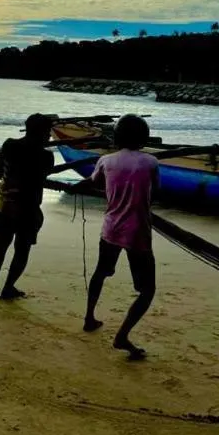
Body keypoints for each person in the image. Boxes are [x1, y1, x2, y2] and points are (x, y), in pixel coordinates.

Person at [80, 114, 159, 361]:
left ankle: (89, 317)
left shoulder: (105, 160)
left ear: (117, 137)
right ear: (144, 137)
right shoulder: (150, 162)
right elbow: (153, 194)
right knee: (146, 289)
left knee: (101, 272)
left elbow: (93, 184)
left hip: (111, 228)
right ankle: (122, 335)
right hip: (138, 232)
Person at [0, 113, 55, 301]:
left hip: (4, 205)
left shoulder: (9, 145)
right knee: (22, 249)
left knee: (1, 243)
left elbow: (0, 172)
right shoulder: (46, 156)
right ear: (42, 132)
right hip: (28, 209)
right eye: (48, 132)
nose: (49, 136)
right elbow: (41, 179)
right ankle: (8, 287)